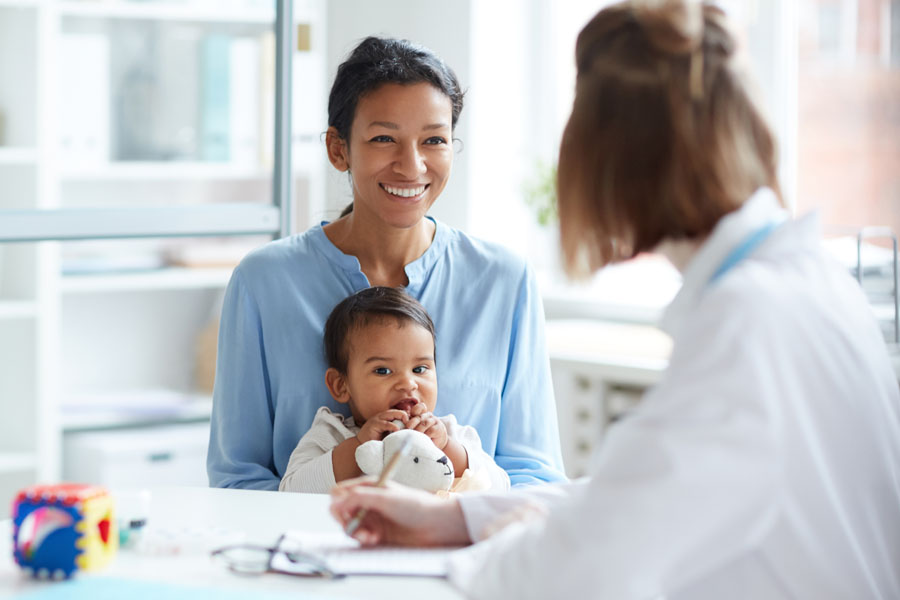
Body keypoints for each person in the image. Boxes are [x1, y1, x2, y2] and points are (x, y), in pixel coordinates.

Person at [329, 2, 900, 598]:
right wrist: (458, 519)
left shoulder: (750, 323)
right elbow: (633, 494)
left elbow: (594, 563)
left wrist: (463, 562)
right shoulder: (802, 284)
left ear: (615, 159)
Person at [207, 36, 567, 490]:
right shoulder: (263, 282)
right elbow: (237, 481)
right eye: (383, 139)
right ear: (338, 150)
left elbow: (536, 478)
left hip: (462, 554)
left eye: (434, 140)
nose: (412, 165)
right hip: (308, 555)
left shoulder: (505, 281)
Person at [279, 286, 510, 493]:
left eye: (420, 369)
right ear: (341, 385)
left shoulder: (450, 432)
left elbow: (500, 486)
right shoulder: (331, 434)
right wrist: (358, 446)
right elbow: (290, 491)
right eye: (383, 371)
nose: (408, 383)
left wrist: (447, 448)